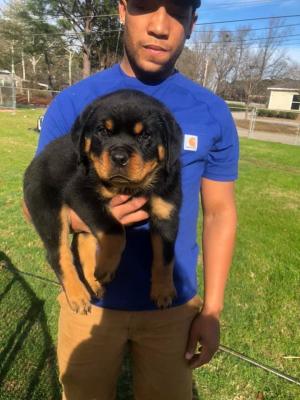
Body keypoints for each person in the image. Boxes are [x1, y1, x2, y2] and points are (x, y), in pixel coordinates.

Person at [24, 0, 239, 399]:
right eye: (144, 6)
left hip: (170, 308)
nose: (160, 25)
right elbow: (37, 194)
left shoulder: (212, 112)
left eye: (176, 11)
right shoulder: (74, 103)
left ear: (192, 21)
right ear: (122, 9)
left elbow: (220, 214)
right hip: (89, 301)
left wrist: (211, 311)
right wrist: (87, 222)